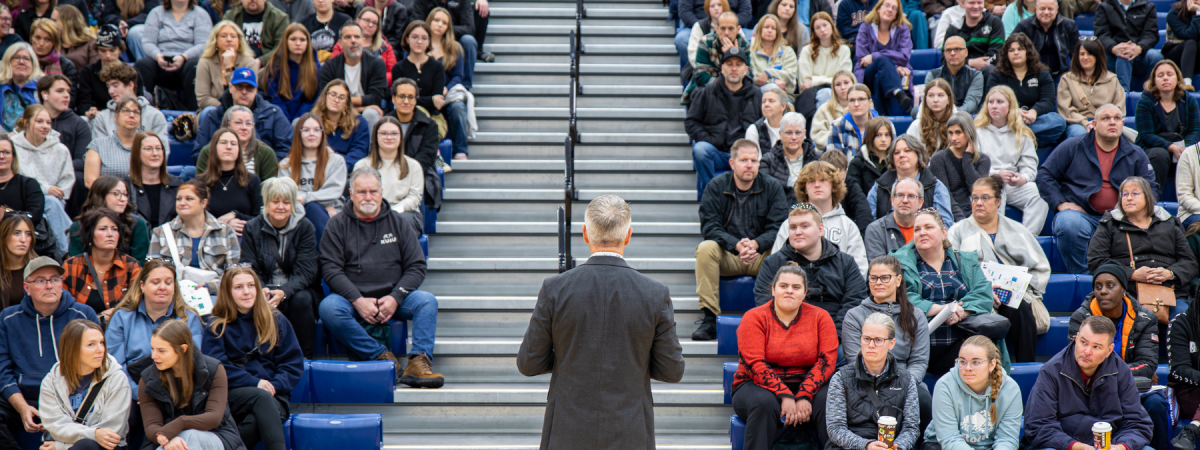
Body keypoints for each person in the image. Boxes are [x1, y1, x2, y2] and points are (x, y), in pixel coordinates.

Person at [516, 194, 686, 449]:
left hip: (567, 432)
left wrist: (568, 355)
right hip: (631, 433)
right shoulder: (654, 293)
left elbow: (529, 363)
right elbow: (672, 370)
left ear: (585, 234)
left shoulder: (555, 288)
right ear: (628, 236)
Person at [319, 166, 442, 387]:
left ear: (381, 192)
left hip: (394, 297)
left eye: (373, 191)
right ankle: (382, 358)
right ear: (351, 193)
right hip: (350, 299)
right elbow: (330, 269)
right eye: (362, 192)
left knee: (427, 301)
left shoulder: (399, 223)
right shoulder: (336, 225)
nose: (368, 197)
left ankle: (418, 363)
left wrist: (395, 297)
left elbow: (416, 266)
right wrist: (357, 300)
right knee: (329, 308)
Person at [1038, 104, 1159, 274]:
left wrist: (1138, 211)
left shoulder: (1136, 153)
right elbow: (1045, 175)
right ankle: (1085, 278)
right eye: (1106, 118)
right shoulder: (1072, 146)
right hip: (1081, 216)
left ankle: (1123, 279)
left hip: (1121, 217)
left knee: (1158, 216)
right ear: (1094, 124)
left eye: (1117, 118)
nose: (1112, 122)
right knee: (1068, 222)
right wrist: (1060, 204)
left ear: (1123, 123)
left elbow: (1151, 187)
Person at [730, 265, 838, 450]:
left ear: (805, 292)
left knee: (830, 399)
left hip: (809, 384)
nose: (789, 290)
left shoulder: (821, 317)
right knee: (764, 403)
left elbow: (826, 361)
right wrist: (785, 395)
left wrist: (804, 394)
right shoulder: (754, 317)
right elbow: (754, 364)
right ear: (773, 290)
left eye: (796, 287)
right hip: (754, 385)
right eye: (783, 286)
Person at [1069, 263, 1173, 450]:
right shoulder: (1081, 318)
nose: (1103, 291)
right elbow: (1080, 363)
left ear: (1124, 289)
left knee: (1157, 404)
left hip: (1132, 388)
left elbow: (1148, 365)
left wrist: (1105, 374)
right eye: (1098, 286)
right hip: (1093, 390)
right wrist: (1125, 374)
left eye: (1110, 285)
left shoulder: (1145, 318)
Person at [948, 175, 1050, 362]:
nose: (979, 203)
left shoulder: (1018, 230)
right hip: (975, 297)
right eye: (975, 198)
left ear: (998, 201)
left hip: (1013, 295)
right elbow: (951, 270)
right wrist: (982, 291)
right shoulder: (957, 231)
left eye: (985, 198)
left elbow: (1040, 268)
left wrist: (1022, 289)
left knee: (1020, 309)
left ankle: (1026, 365)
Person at [693, 139, 788, 340]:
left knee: (784, 252)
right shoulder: (716, 186)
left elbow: (778, 228)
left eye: (754, 161)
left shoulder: (772, 187)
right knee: (705, 248)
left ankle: (776, 318)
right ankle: (710, 319)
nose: (749, 165)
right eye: (744, 160)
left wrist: (756, 244)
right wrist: (736, 245)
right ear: (732, 163)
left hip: (761, 256)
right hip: (728, 255)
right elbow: (710, 227)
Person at [896, 209, 1009, 376]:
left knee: (979, 351)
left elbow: (982, 292)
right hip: (925, 346)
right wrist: (943, 309)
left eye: (928, 227)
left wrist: (962, 312)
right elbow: (905, 299)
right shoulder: (903, 264)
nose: (922, 233)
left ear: (943, 233)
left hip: (964, 341)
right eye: (917, 229)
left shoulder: (963, 260)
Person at [0, 256, 99, 446]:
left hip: (72, 398)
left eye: (54, 279)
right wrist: (22, 408)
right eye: (40, 280)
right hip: (26, 397)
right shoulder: (8, 318)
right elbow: (2, 370)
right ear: (27, 288)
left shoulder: (83, 314)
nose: (49, 286)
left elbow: (97, 363)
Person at [202, 267, 303, 450]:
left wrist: (273, 386)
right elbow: (215, 367)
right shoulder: (217, 325)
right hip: (233, 394)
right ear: (227, 292)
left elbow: (292, 365)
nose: (247, 292)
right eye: (239, 287)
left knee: (254, 422)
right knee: (260, 397)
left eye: (251, 285)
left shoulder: (277, 321)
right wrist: (254, 382)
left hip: (273, 393)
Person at [1022, 316, 1153, 450]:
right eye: (1083, 342)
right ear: (1076, 338)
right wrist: (1076, 447)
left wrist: (1121, 447)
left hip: (1111, 444)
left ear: (1109, 350)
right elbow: (1039, 426)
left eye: (1096, 347)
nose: (1087, 352)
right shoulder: (1051, 371)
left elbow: (1137, 423)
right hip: (1066, 445)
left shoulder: (1122, 371)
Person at [842, 256, 932, 428]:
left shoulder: (916, 315)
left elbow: (919, 361)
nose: (878, 282)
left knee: (923, 399)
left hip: (904, 379)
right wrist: (880, 384)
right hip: (866, 380)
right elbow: (855, 358)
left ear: (898, 280)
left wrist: (903, 385)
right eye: (873, 278)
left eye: (885, 277)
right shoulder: (854, 316)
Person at [1088, 176, 1196, 317]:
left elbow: (1190, 262)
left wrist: (1169, 273)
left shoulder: (1169, 223)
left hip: (1170, 294)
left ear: (1148, 197)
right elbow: (1096, 261)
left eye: (1135, 193)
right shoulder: (1110, 224)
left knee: (1183, 320)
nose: (1129, 198)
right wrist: (1131, 274)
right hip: (1127, 294)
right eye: (1124, 194)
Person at [755, 202, 869, 332]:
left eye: (804, 226)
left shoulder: (846, 263)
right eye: (793, 227)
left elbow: (853, 303)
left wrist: (832, 335)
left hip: (835, 335)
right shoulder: (773, 263)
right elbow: (765, 302)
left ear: (820, 229)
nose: (798, 232)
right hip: (786, 334)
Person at [240, 177, 319, 359]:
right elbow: (249, 266)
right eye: (275, 202)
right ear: (266, 203)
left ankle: (304, 357)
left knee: (301, 300)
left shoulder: (305, 227)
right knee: (251, 299)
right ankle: (261, 358)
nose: (281, 207)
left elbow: (306, 271)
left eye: (286, 202)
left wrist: (284, 291)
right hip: (264, 286)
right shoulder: (252, 227)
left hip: (295, 288)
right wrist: (261, 289)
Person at [138, 319, 247, 450]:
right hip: (166, 441)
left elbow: (214, 417)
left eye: (162, 351)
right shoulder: (147, 379)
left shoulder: (213, 369)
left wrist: (182, 423)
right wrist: (168, 439)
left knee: (189, 437)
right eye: (153, 349)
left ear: (183, 349)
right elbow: (152, 425)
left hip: (216, 435)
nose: (154, 356)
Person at [105, 258, 204, 401]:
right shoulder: (121, 317)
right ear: (142, 285)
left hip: (176, 392)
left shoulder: (189, 318)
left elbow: (191, 363)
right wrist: (139, 394)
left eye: (168, 283)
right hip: (131, 392)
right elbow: (114, 365)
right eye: (156, 282)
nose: (163, 287)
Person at [821, 313, 921, 450]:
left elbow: (911, 428)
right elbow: (835, 429)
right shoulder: (841, 378)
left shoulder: (906, 380)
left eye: (878, 340)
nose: (871, 345)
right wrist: (866, 445)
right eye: (866, 338)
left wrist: (898, 447)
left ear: (891, 344)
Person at [37, 319, 132, 450]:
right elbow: (54, 424)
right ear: (72, 348)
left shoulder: (116, 378)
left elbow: (111, 434)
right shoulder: (52, 380)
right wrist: (92, 434)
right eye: (91, 344)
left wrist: (61, 446)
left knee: (86, 445)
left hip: (107, 448)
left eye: (102, 343)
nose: (100, 350)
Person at [768, 162, 870, 276]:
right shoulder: (790, 225)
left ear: (834, 187)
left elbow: (859, 270)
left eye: (823, 180)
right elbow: (775, 267)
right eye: (811, 181)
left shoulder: (848, 226)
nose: (817, 185)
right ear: (805, 188)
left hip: (837, 290)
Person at [924, 335, 1023, 450]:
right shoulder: (945, 385)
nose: (968, 368)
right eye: (962, 361)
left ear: (992, 364)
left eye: (976, 362)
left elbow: (1007, 439)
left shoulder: (1010, 389)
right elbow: (949, 438)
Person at [686, 47, 762, 192]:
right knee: (701, 150)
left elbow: (764, 125)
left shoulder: (756, 95)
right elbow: (691, 122)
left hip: (746, 155)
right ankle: (713, 195)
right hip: (717, 153)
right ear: (722, 68)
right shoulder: (707, 92)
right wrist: (708, 138)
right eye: (729, 64)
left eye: (738, 64)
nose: (734, 68)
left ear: (746, 70)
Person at [146, 180, 242, 294]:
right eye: (178, 199)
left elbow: (233, 273)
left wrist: (211, 287)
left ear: (203, 203)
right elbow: (153, 272)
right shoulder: (161, 232)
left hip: (217, 295)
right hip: (175, 296)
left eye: (189, 199)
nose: (182, 203)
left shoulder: (226, 231)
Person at [976, 86, 1048, 235]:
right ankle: (996, 239)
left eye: (1000, 102)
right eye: (991, 102)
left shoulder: (1022, 134)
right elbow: (973, 165)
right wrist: (996, 175)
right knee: (995, 191)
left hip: (1012, 183)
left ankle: (1027, 239)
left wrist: (1023, 178)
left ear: (1010, 107)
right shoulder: (977, 132)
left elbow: (1030, 166)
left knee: (1038, 196)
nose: (994, 106)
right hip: (987, 181)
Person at [984, 32, 1067, 148]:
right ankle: (1026, 139)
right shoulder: (997, 75)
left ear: (1028, 51)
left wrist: (1034, 111)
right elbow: (991, 101)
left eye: (1020, 49)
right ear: (1006, 54)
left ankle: (1014, 138)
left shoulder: (1042, 74)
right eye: (1011, 50)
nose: (1016, 53)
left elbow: (1048, 100)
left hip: (1035, 120)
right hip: (1007, 119)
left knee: (1058, 121)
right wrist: (1013, 111)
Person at [193, 67, 294, 161]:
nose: (244, 92)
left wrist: (264, 168)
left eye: (249, 87)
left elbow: (286, 150)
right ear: (231, 87)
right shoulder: (213, 116)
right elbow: (199, 154)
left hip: (263, 174)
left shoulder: (274, 114)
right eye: (239, 87)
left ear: (256, 90)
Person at [13, 105, 74, 258]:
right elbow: (15, 176)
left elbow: (67, 180)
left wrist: (56, 193)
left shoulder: (60, 149)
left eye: (48, 122)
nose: (45, 126)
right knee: (49, 204)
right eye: (39, 121)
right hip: (23, 200)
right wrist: (46, 189)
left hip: (55, 202)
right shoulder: (13, 146)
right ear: (26, 123)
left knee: (52, 204)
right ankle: (68, 252)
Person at [62, 206, 141, 320]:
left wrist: (114, 313)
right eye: (103, 229)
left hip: (117, 330)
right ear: (90, 234)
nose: (110, 234)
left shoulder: (131, 266)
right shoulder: (71, 266)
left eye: (114, 229)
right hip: (81, 331)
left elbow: (136, 305)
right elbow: (63, 307)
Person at [134, 0, 213, 112]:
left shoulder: (200, 14)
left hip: (187, 61)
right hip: (161, 60)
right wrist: (157, 56)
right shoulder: (156, 13)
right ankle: (143, 110)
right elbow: (147, 42)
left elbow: (203, 44)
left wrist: (184, 57)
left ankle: (192, 114)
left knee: (196, 66)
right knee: (143, 65)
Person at [279, 113, 347, 240]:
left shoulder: (336, 161)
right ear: (298, 133)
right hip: (298, 215)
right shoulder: (285, 165)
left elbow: (333, 192)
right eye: (306, 130)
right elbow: (287, 196)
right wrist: (322, 204)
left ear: (322, 133)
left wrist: (305, 198)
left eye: (317, 129)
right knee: (312, 208)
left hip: (331, 215)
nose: (312, 134)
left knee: (313, 208)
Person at [1136, 60, 1200, 194]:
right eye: (1160, 75)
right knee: (1160, 154)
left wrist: (1186, 148)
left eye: (1169, 74)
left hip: (1182, 147)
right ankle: (1152, 200)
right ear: (1154, 80)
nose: (1165, 77)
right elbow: (1146, 135)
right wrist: (1171, 147)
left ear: (1177, 78)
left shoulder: (1189, 100)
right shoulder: (1145, 101)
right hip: (1153, 149)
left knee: (1193, 154)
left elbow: (1194, 130)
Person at [867, 135, 955, 226]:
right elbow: (869, 224)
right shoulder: (879, 187)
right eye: (897, 153)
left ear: (918, 154)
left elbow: (945, 225)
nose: (901, 155)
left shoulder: (936, 187)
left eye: (907, 151)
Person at [355, 116, 423, 233]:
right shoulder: (362, 166)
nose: (389, 137)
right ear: (376, 137)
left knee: (398, 222)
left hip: (405, 214)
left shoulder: (413, 165)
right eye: (384, 133)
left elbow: (414, 197)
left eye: (394, 133)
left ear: (401, 137)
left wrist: (393, 211)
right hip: (370, 213)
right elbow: (358, 196)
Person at [317, 24, 387, 134]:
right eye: (348, 37)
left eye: (357, 37)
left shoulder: (376, 64)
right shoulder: (329, 66)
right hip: (336, 112)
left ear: (363, 41)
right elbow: (324, 98)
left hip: (363, 112)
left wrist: (341, 101)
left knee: (371, 114)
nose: (353, 41)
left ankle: (370, 151)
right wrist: (357, 108)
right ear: (340, 43)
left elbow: (375, 98)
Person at [196, 128, 264, 235]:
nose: (229, 147)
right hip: (210, 241)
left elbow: (260, 218)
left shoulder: (252, 180)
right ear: (214, 148)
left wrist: (235, 215)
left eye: (233, 144)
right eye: (223, 143)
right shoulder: (200, 183)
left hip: (244, 241)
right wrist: (223, 226)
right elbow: (194, 220)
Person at [66, 175, 150, 260]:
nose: (123, 199)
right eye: (116, 194)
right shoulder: (79, 226)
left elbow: (139, 263)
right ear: (98, 196)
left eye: (125, 194)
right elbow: (76, 264)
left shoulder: (137, 224)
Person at [854, 0, 915, 115]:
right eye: (887, 6)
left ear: (897, 13)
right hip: (867, 74)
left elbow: (904, 56)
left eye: (894, 8)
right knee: (882, 60)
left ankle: (882, 118)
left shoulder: (903, 29)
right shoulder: (865, 27)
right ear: (878, 9)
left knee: (879, 77)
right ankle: (898, 92)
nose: (890, 10)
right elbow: (862, 58)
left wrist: (875, 56)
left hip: (890, 74)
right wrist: (887, 63)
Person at [389, 78, 441, 212]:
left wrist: (403, 177)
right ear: (393, 98)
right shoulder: (384, 123)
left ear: (416, 100)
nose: (406, 101)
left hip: (417, 176)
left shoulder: (429, 126)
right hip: (387, 175)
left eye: (410, 97)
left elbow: (426, 158)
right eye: (402, 97)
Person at [1058, 39, 1126, 139]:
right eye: (1082, 54)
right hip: (1078, 123)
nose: (1085, 57)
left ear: (1097, 56)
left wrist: (1104, 121)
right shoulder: (1067, 79)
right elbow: (1065, 109)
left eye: (1090, 54)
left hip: (1106, 121)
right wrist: (1084, 122)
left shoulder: (1112, 79)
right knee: (1079, 133)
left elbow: (1119, 107)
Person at [929, 112, 990, 222]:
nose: (953, 138)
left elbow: (978, 191)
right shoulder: (938, 159)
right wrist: (962, 222)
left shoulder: (983, 160)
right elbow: (945, 196)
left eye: (958, 132)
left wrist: (967, 159)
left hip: (977, 212)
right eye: (950, 133)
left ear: (969, 133)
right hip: (949, 214)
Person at [392, 21, 448, 141]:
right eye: (415, 37)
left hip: (433, 116)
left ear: (428, 42)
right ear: (407, 39)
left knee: (432, 130)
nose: (419, 42)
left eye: (424, 38)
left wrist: (422, 100)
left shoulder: (437, 67)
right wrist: (430, 100)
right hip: (405, 115)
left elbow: (437, 103)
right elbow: (400, 98)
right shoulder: (399, 68)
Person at [1095, 0, 1164, 92]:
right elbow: (1102, 34)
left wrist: (1139, 48)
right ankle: (1122, 95)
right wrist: (1113, 48)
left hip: (1140, 53)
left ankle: (1153, 93)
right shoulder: (1104, 7)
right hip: (1113, 55)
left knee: (1155, 56)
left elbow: (1151, 34)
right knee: (1124, 54)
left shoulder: (1148, 7)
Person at [196, 106, 280, 180]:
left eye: (248, 123)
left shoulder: (266, 153)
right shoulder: (208, 151)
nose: (244, 127)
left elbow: (268, 192)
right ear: (227, 125)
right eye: (238, 122)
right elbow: (201, 188)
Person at [683, 12, 751, 103]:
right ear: (717, 28)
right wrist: (725, 86)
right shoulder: (706, 42)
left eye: (731, 28)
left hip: (737, 88)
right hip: (710, 88)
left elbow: (749, 75)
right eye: (723, 28)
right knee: (699, 93)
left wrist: (733, 55)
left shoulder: (744, 44)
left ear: (738, 29)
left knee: (753, 93)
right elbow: (701, 75)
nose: (726, 33)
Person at [91, 63, 170, 141]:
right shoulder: (102, 118)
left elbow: (162, 151)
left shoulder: (155, 116)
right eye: (108, 86)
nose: (111, 91)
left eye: (115, 86)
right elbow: (99, 151)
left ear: (130, 85)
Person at [75, 26, 138, 120]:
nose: (108, 55)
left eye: (112, 50)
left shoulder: (133, 71)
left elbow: (138, 96)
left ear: (120, 50)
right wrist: (89, 111)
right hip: (99, 117)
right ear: (97, 51)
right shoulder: (88, 72)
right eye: (102, 51)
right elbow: (84, 102)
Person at [195, 21, 260, 111]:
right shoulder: (205, 63)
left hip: (243, 110)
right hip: (213, 111)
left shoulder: (249, 63)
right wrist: (226, 109)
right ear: (216, 41)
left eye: (233, 36)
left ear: (239, 41)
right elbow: (203, 99)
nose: (229, 39)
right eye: (224, 36)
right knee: (208, 111)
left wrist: (229, 68)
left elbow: (251, 95)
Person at [260, 24, 320, 122]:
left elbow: (313, 100)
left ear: (308, 43)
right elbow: (274, 98)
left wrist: (299, 119)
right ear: (285, 42)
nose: (298, 43)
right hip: (279, 117)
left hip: (306, 118)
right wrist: (285, 119)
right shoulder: (274, 66)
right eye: (293, 39)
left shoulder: (316, 67)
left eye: (302, 40)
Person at [758, 110, 821, 201]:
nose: (794, 137)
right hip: (779, 210)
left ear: (804, 134)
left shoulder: (818, 159)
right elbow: (764, 195)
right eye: (789, 133)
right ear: (780, 134)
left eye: (798, 132)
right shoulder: (768, 161)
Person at [797, 12, 852, 114]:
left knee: (826, 93)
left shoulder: (843, 50)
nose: (822, 30)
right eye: (817, 28)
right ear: (814, 32)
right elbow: (805, 83)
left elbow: (842, 81)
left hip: (836, 92)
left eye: (825, 25)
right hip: (810, 95)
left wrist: (814, 81)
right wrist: (828, 80)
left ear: (832, 25)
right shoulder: (806, 51)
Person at [309, 80, 371, 170]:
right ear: (325, 96)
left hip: (346, 170)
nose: (336, 100)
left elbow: (359, 152)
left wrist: (339, 167)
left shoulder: (359, 123)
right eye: (333, 95)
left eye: (342, 97)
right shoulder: (313, 122)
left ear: (346, 102)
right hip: (317, 168)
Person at [39, 75, 91, 183]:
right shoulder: (30, 120)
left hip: (65, 174)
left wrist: (54, 168)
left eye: (68, 91)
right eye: (60, 91)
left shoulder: (79, 124)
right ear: (45, 95)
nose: (66, 95)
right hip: (34, 171)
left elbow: (83, 161)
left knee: (79, 178)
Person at [127, 131, 183, 229]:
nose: (155, 153)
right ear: (137, 153)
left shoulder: (177, 185)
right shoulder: (125, 187)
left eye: (158, 148)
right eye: (148, 149)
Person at [1011, 0, 1078, 81]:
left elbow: (1076, 54)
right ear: (1036, 9)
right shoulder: (1024, 26)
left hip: (1061, 77)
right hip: (1031, 76)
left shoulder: (1069, 25)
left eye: (1050, 9)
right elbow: (1009, 48)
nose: (1046, 12)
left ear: (1057, 10)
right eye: (1042, 9)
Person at [330, 7, 397, 86]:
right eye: (367, 21)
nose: (370, 25)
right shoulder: (342, 44)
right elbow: (333, 67)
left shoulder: (385, 47)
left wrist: (376, 78)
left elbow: (393, 74)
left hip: (376, 88)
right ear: (358, 21)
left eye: (374, 23)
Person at [84, 97, 141, 187]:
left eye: (136, 112)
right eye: (126, 111)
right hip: (106, 197)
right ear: (116, 117)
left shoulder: (147, 146)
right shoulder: (98, 145)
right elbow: (90, 182)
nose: (132, 115)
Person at [820, 149, 877, 235]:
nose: (834, 186)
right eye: (830, 180)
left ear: (846, 171)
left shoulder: (851, 185)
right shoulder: (815, 187)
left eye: (839, 180)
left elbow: (864, 213)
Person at [927, 36, 984, 115]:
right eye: (948, 50)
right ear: (944, 53)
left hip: (964, 117)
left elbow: (971, 102)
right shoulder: (933, 75)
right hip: (938, 114)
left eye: (957, 49)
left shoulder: (975, 75)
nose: (952, 53)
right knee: (915, 111)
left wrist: (954, 113)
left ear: (966, 52)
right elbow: (929, 100)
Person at [945, 0, 1004, 75]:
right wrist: (970, 63)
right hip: (960, 71)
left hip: (986, 71)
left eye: (979, 3)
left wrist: (980, 64)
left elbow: (996, 53)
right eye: (972, 3)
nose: (976, 6)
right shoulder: (954, 28)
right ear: (963, 3)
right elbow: (945, 59)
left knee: (989, 69)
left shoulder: (994, 23)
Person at [749, 14, 798, 98]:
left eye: (773, 28)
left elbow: (789, 75)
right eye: (766, 27)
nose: (770, 30)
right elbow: (752, 77)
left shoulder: (788, 52)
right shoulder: (751, 52)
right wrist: (774, 80)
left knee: (774, 91)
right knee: (772, 88)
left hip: (785, 96)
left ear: (777, 32)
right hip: (757, 95)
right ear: (760, 30)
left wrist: (767, 73)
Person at [27, 20, 78, 98]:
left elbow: (70, 98)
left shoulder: (66, 65)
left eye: (47, 39)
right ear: (31, 37)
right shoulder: (23, 61)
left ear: (54, 42)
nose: (41, 43)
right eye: (37, 38)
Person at [221, 0, 288, 60]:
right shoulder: (230, 17)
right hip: (237, 63)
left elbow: (281, 47)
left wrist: (260, 62)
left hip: (268, 67)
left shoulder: (279, 18)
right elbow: (221, 42)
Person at [827, 84, 880, 158]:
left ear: (870, 102)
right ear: (847, 103)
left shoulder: (884, 126)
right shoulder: (836, 126)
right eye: (852, 100)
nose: (856, 104)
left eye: (861, 99)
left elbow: (890, 160)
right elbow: (834, 163)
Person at [847, 116, 893, 199]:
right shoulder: (857, 164)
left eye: (887, 135)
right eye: (878, 135)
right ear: (870, 137)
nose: (883, 139)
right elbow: (854, 197)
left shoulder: (896, 162)